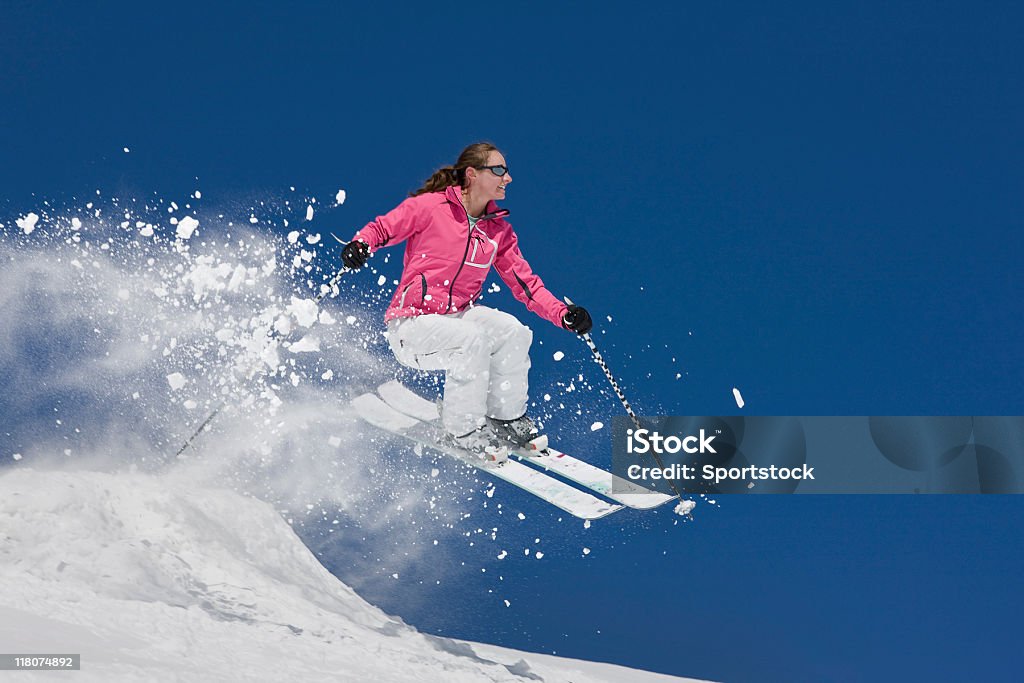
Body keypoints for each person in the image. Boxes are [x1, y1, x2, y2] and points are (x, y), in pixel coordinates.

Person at [342, 142, 592, 463]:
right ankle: (462, 430)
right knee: (472, 340)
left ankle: (505, 418)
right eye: (499, 170)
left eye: (507, 171)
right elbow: (384, 228)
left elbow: (525, 285)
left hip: (456, 317)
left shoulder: (496, 230)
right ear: (472, 174)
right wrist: (361, 244)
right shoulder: (431, 207)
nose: (508, 178)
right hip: (412, 326)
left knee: (512, 332)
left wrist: (563, 314)